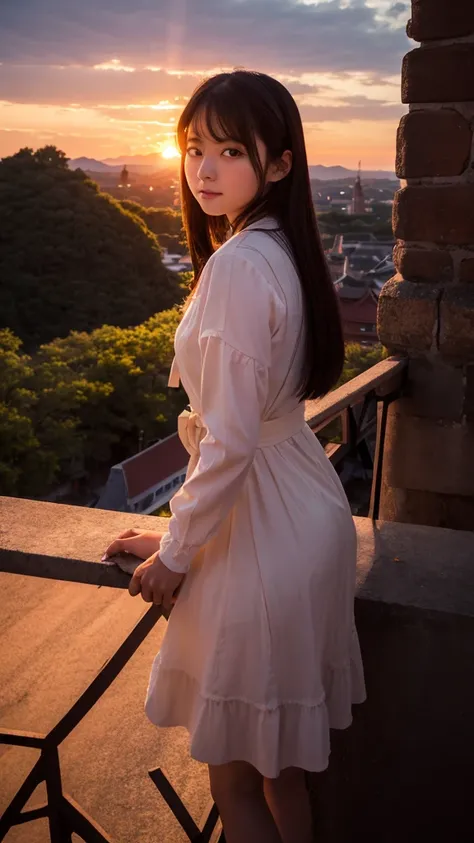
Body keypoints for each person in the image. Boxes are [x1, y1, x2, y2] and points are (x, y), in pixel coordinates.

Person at [104, 70, 366, 843]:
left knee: (234, 780)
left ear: (279, 163)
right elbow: (248, 435)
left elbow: (227, 443)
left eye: (228, 150)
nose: (205, 170)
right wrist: (180, 537)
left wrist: (178, 554)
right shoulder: (281, 248)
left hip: (264, 532)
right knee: (280, 767)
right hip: (299, 513)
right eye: (192, 149)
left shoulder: (237, 267)